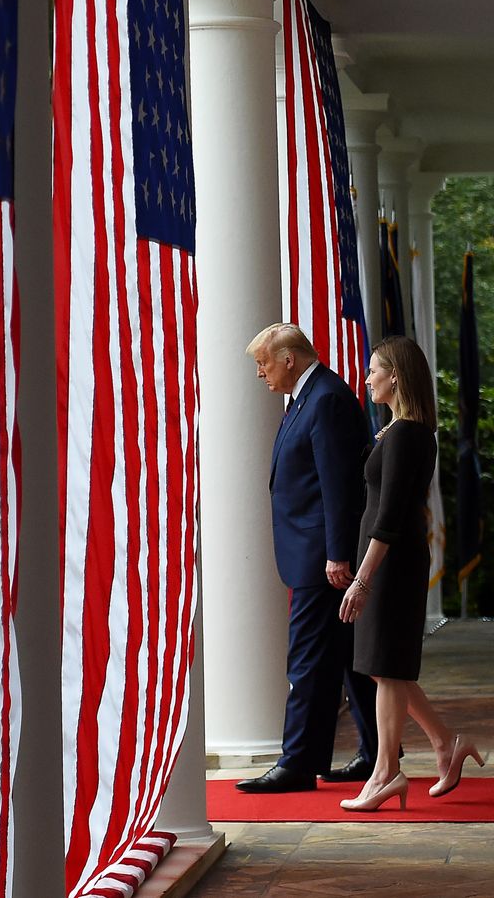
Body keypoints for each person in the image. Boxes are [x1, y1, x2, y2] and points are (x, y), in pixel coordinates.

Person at [337, 336, 485, 811]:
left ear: (395, 375)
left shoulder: (405, 434)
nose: (366, 378)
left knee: (385, 668)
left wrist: (363, 579)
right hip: (390, 561)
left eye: (373, 370)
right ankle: (446, 743)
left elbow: (391, 518)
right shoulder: (402, 430)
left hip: (391, 565)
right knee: (390, 668)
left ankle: (385, 772)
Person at [236, 323, 380, 794]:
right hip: (316, 553)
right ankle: (378, 750)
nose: (260, 373)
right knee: (346, 658)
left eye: (263, 363)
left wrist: (338, 553)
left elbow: (338, 485)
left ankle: (297, 762)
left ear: (289, 359)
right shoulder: (309, 395)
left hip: (324, 558)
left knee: (307, 659)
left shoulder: (326, 399)